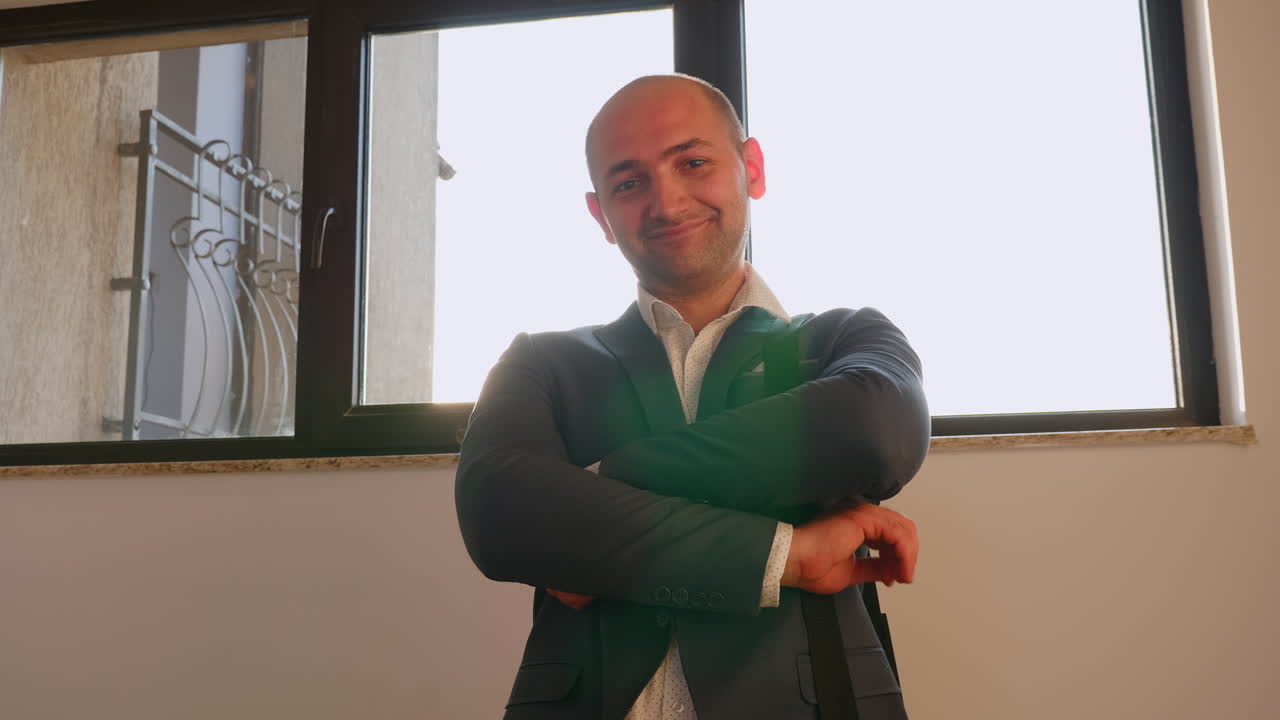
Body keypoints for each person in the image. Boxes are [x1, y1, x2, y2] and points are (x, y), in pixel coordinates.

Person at [456, 74, 930, 720]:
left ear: (751, 168)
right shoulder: (539, 362)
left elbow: (879, 434)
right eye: (630, 183)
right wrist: (787, 555)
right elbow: (497, 511)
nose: (667, 200)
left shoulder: (844, 340)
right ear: (600, 215)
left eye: (693, 163)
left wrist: (593, 491)